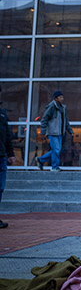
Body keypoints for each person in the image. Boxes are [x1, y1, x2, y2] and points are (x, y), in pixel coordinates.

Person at [37, 90, 74, 172]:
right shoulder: (52, 107)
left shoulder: (63, 108)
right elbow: (44, 119)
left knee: (57, 150)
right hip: (52, 132)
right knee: (56, 150)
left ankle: (41, 160)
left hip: (60, 133)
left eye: (62, 97)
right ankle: (54, 167)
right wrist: (43, 132)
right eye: (60, 97)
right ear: (56, 98)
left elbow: (66, 121)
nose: (62, 98)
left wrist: (70, 131)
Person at [0, 86, 15, 229]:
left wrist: (10, 154)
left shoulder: (2, 115)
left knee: (0, 188)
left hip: (1, 156)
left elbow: (7, 136)